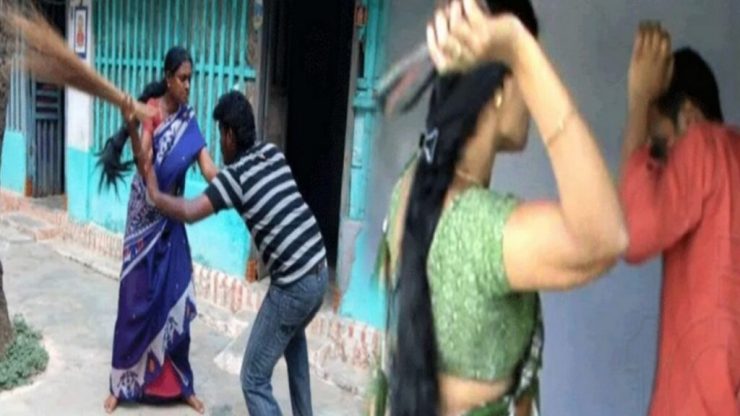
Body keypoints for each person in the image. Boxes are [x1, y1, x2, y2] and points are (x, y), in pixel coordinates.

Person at [369, 0, 628, 414]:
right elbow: (606, 237)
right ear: (503, 90)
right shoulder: (480, 231)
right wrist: (521, 49)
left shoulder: (412, 184)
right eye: (527, 75)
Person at [125, 91, 328, 416]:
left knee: (253, 379)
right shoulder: (272, 153)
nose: (220, 143)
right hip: (319, 269)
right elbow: (230, 185)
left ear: (230, 135)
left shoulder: (235, 178)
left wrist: (155, 194)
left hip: (293, 285)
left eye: (221, 135)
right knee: (294, 341)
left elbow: (190, 211)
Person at [620, 22, 740, 416]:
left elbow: (630, 233)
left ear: (688, 117)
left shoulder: (702, 143)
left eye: (657, 144)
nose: (654, 165)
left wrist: (638, 102)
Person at [105, 46, 217, 414]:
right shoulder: (151, 111)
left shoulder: (190, 120)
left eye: (190, 79)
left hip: (172, 218)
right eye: (182, 79)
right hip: (144, 218)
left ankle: (181, 385)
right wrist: (130, 125)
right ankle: (121, 383)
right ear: (168, 79)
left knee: (176, 293)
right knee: (134, 300)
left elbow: (208, 169)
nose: (188, 85)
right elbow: (145, 164)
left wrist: (238, 182)